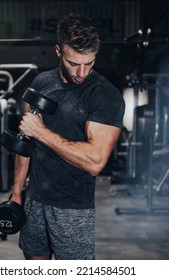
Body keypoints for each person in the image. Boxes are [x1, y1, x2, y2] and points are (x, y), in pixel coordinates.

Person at [10, 13, 125, 260]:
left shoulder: (104, 95)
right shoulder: (42, 82)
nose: (82, 72)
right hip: (34, 199)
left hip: (72, 208)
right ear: (58, 51)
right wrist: (17, 191)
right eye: (74, 63)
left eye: (90, 63)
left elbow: (95, 162)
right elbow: (25, 142)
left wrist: (41, 132)